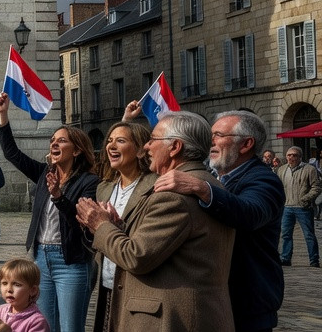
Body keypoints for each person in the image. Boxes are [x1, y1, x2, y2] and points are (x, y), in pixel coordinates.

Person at [76, 111, 234, 332]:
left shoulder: (174, 194)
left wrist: (101, 225)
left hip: (171, 317)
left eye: (153, 140)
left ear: (175, 147)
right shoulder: (203, 183)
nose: (147, 147)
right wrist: (117, 227)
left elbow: (137, 256)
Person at [148, 110, 283, 332]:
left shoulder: (264, 179)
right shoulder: (214, 175)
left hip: (247, 301)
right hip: (214, 299)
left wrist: (201, 188)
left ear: (246, 144)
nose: (210, 141)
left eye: (218, 135)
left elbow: (250, 213)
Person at [0, 92, 98, 332]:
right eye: (53, 139)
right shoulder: (44, 174)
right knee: (45, 326)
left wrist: (59, 197)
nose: (54, 143)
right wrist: (3, 114)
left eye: (62, 141)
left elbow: (81, 221)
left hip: (71, 261)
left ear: (77, 150)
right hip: (41, 257)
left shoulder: (88, 182)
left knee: (70, 327)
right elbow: (13, 155)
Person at [83, 121, 154, 332]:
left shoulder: (154, 187)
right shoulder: (104, 189)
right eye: (110, 141)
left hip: (137, 288)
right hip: (107, 285)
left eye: (121, 141)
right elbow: (98, 242)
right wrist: (89, 227)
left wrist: (112, 226)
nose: (111, 146)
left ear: (141, 149)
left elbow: (144, 244)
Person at [276, 144, 321, 267]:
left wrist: (305, 199)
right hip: (287, 207)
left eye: (294, 155)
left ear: (300, 157)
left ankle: (314, 260)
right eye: (289, 155)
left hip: (303, 208)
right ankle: (285, 258)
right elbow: (278, 187)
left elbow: (316, 187)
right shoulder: (282, 169)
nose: (291, 158)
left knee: (309, 235)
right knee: (286, 234)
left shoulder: (309, 169)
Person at [0, 258, 50, 332]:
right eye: (4, 283)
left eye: (17, 285)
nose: (9, 289)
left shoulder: (36, 321)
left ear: (32, 290)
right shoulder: (0, 311)